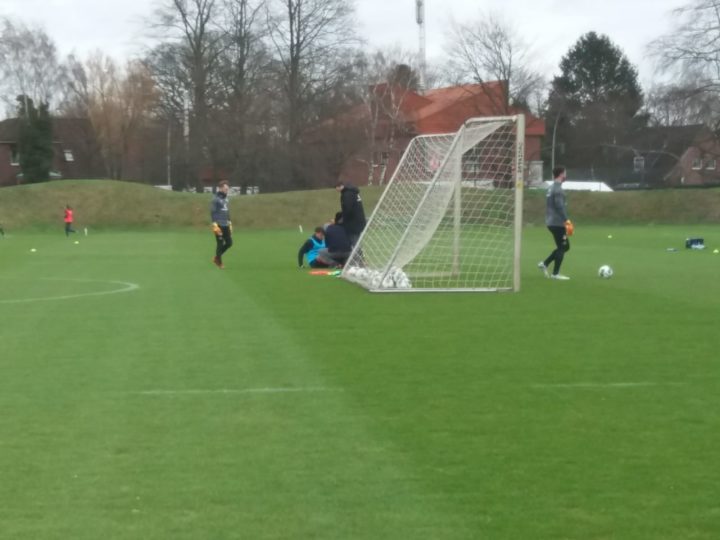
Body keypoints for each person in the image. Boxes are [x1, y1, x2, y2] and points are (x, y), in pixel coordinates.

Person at [538, 167, 573, 280]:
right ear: (561, 174)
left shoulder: (551, 187)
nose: (566, 176)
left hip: (551, 221)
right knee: (563, 247)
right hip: (557, 223)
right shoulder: (557, 189)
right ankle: (555, 274)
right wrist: (566, 220)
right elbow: (559, 206)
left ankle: (545, 263)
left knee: (564, 246)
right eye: (565, 173)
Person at [335, 181, 366, 247]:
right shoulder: (353, 192)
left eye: (336, 188)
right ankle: (359, 255)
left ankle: (357, 255)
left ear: (340, 186)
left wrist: (343, 219)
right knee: (357, 241)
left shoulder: (347, 194)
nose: (336, 190)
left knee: (354, 241)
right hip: (359, 220)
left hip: (353, 223)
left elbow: (348, 209)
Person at [211, 180, 233, 269]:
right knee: (220, 243)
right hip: (218, 224)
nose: (226, 190)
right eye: (225, 189)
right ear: (220, 188)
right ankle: (219, 262)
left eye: (227, 189)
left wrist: (230, 222)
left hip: (226, 224)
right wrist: (214, 224)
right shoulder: (215, 199)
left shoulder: (226, 198)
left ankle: (216, 257)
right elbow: (213, 212)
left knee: (229, 243)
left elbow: (227, 211)